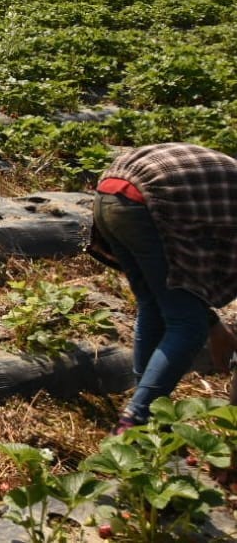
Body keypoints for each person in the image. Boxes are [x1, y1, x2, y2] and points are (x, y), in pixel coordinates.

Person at [86, 143, 237, 433]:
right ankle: (138, 420)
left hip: (109, 193)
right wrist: (215, 327)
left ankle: (146, 409)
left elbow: (187, 276)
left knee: (153, 305)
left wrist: (216, 325)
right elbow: (192, 272)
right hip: (148, 201)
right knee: (188, 326)